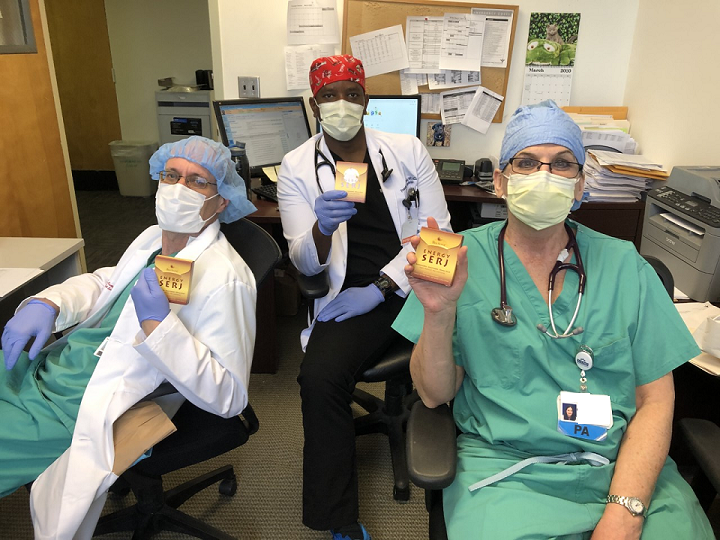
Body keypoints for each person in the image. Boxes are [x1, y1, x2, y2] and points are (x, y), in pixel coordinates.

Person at [392, 101, 714, 539]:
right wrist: (438, 312)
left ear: (580, 185)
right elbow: (433, 395)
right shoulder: (457, 259)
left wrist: (625, 511)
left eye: (562, 164)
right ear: (500, 181)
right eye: (526, 162)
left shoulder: (626, 266)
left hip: (622, 469)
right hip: (507, 474)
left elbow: (655, 401)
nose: (544, 175)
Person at [0, 136, 258, 539]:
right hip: (49, 366)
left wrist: (160, 328)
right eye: (171, 175)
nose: (178, 188)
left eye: (197, 181)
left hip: (80, 403)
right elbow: (109, 281)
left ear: (222, 200)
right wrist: (48, 303)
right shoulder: (154, 237)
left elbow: (230, 398)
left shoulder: (227, 278)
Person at [277, 54, 451, 540]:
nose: (341, 104)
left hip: (413, 281)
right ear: (315, 105)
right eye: (328, 96)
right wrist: (321, 229)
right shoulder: (296, 166)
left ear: (365, 100)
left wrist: (382, 287)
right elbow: (304, 263)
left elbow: (439, 233)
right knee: (319, 378)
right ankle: (339, 519)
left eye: (351, 94)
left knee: (466, 348)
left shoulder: (407, 150)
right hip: (345, 294)